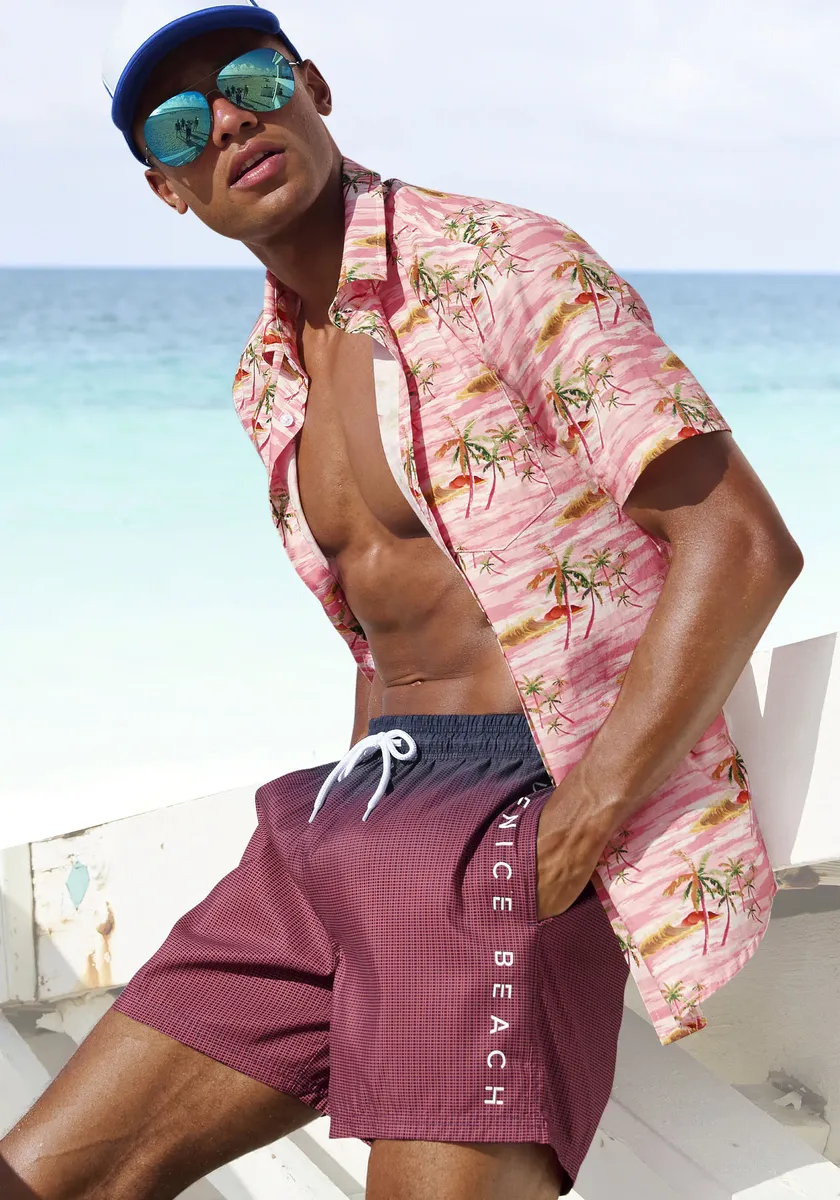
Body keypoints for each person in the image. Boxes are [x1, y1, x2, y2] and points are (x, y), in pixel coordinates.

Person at [0, 2, 803, 1198]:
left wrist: (582, 821)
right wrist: (358, 825)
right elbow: (380, 633)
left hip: (516, 805)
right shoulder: (267, 374)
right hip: (349, 812)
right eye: (180, 128)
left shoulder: (501, 263)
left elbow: (739, 543)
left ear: (313, 88)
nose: (228, 124)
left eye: (251, 82)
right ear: (169, 191)